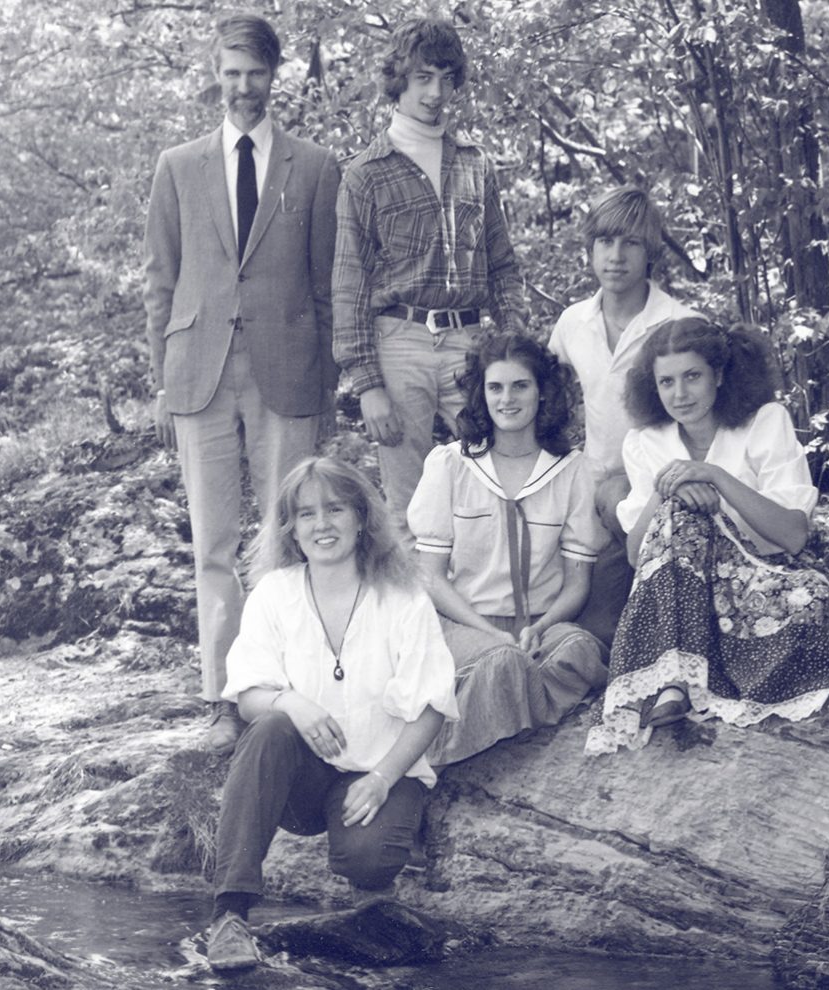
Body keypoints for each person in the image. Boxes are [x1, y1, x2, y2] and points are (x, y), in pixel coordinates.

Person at [142, 12, 343, 755]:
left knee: (286, 538)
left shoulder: (316, 168)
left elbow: (326, 289)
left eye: (255, 74)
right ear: (214, 76)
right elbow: (160, 282)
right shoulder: (178, 165)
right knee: (213, 545)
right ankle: (223, 695)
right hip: (198, 376)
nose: (242, 88)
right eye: (230, 73)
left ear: (274, 77)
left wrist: (325, 393)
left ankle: (287, 686)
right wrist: (163, 383)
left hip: (286, 374)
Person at [205, 456, 456, 975]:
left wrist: (383, 779)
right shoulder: (276, 593)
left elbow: (432, 707)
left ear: (361, 518)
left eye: (336, 509)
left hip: (379, 772)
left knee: (367, 859)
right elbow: (248, 695)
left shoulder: (404, 595)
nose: (322, 524)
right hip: (301, 776)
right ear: (291, 530)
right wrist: (291, 701)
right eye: (306, 514)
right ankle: (230, 916)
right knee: (270, 726)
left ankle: (373, 879)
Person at [584, 318, 829, 755]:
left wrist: (715, 476)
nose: (680, 394)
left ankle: (709, 681)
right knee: (677, 513)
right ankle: (672, 681)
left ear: (720, 375)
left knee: (814, 607)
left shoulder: (764, 420)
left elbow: (793, 535)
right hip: (683, 596)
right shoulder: (645, 442)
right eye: (666, 382)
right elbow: (636, 554)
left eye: (692, 377)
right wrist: (666, 487)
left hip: (761, 580)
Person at [333, 17, 527, 541]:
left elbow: (503, 264)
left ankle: (490, 615)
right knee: (407, 506)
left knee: (495, 482)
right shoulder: (365, 173)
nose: (435, 92)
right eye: (422, 77)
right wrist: (368, 385)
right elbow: (349, 285)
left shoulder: (473, 164)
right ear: (399, 80)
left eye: (445, 77)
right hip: (399, 344)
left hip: (469, 344)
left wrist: (515, 347)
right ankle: (414, 620)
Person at [408, 335, 607, 765]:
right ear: (481, 394)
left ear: (542, 392)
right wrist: (487, 631)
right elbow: (430, 577)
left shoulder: (572, 471)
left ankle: (500, 716)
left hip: (540, 626)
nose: (507, 399)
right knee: (502, 662)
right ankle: (431, 760)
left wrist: (542, 627)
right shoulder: (452, 464)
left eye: (520, 386)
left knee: (578, 650)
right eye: (495, 387)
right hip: (464, 624)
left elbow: (577, 584)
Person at [547, 186, 702, 643]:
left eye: (630, 243)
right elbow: (548, 399)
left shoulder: (677, 323)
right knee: (594, 632)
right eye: (605, 242)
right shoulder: (573, 322)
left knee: (640, 623)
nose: (616, 256)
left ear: (649, 251)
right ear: (591, 249)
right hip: (595, 496)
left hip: (661, 489)